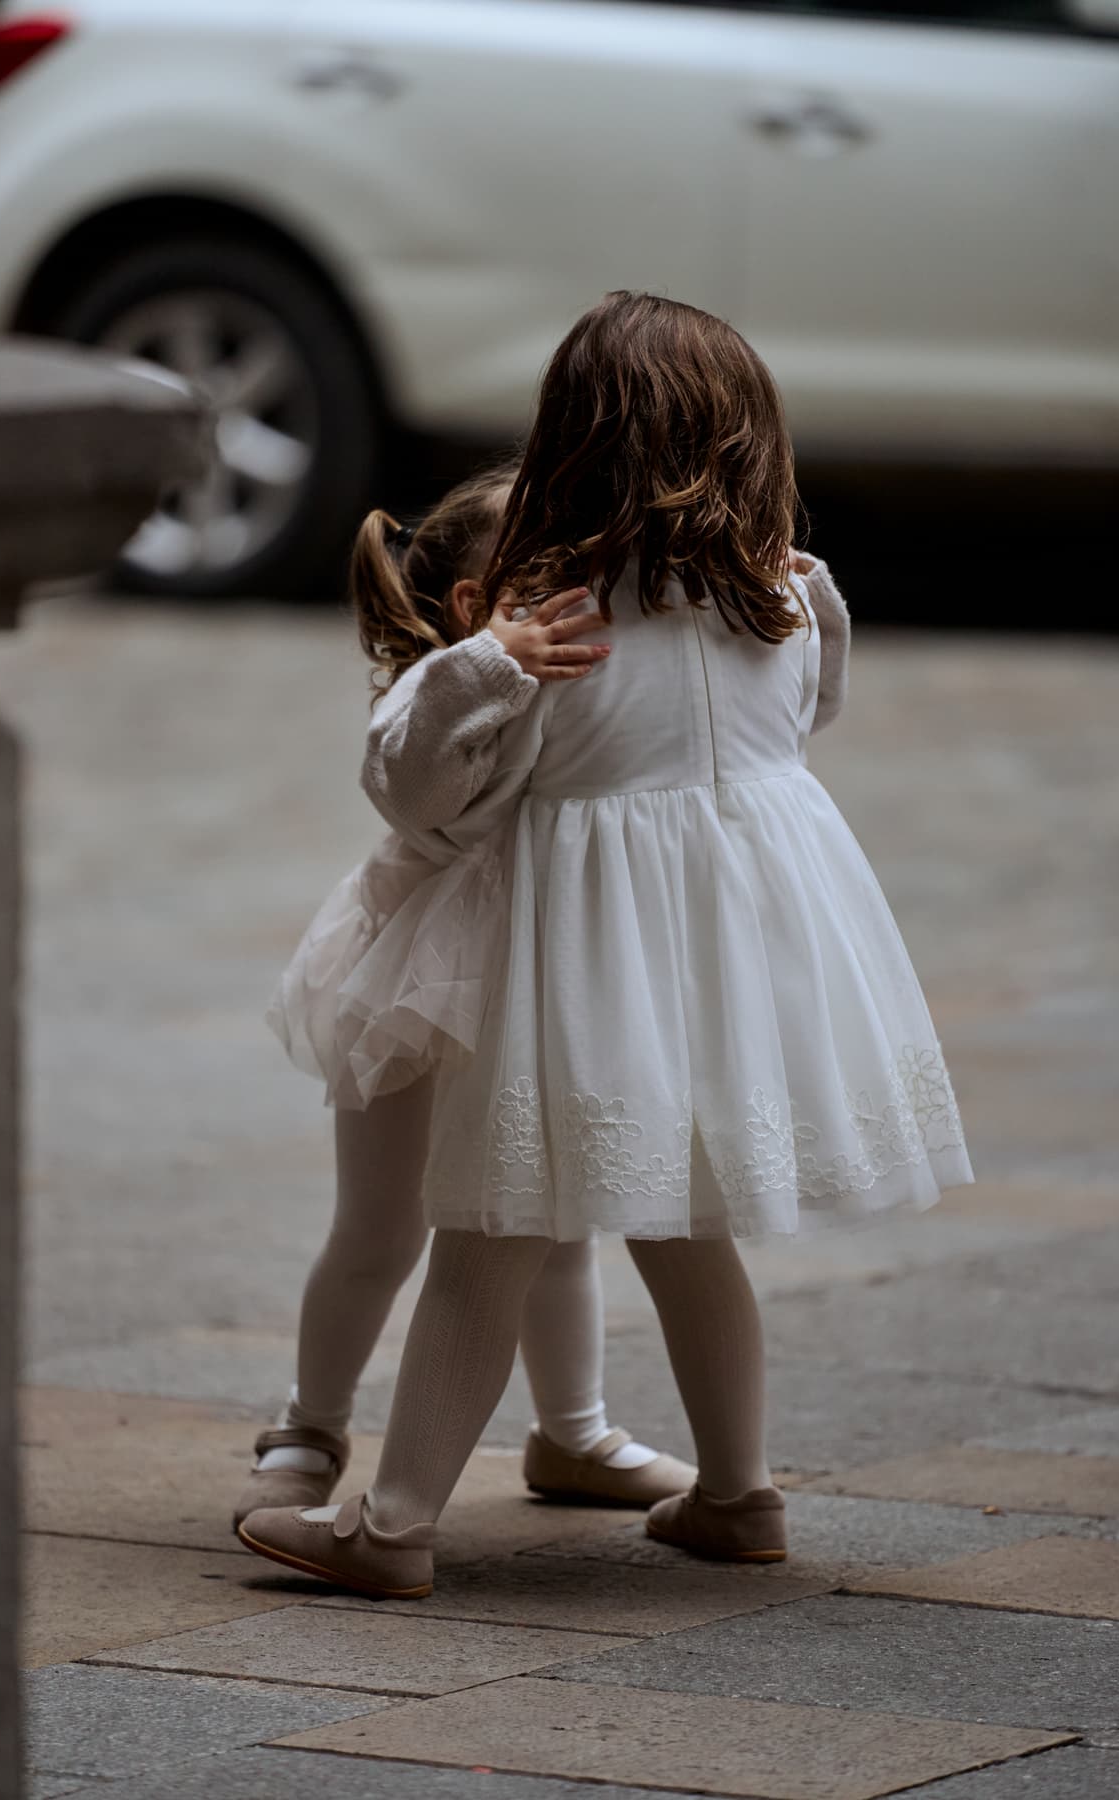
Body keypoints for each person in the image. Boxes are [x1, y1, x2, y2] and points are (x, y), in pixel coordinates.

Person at [238, 292, 969, 1600]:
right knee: (691, 1232)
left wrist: (482, 666)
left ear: (574, 437)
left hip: (579, 976)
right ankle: (739, 1495)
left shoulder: (555, 625)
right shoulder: (787, 599)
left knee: (484, 1231)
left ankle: (392, 1525)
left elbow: (415, 797)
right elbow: (808, 727)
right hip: (722, 970)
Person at [235, 466, 695, 1528]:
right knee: (381, 1228)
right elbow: (409, 778)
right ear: (475, 608)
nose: (586, 590)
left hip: (543, 976)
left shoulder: (582, 680)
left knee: (554, 1219)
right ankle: (308, 1426)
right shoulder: (441, 685)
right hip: (417, 982)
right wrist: (493, 664)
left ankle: (573, 1430)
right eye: (550, 573)